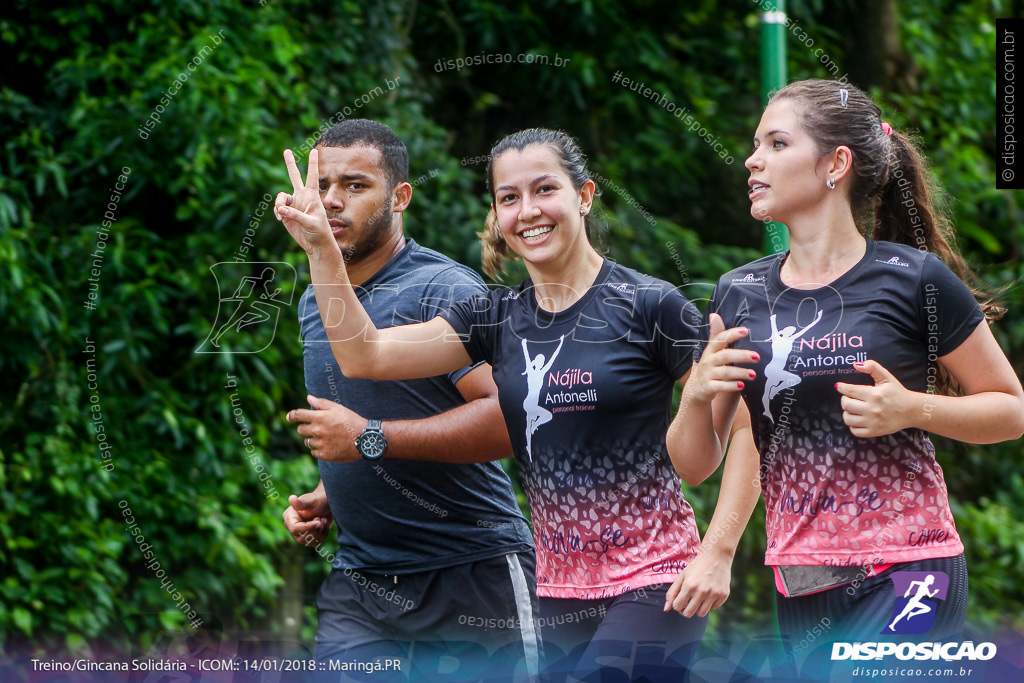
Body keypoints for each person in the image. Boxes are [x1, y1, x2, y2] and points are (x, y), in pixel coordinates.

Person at [275, 126, 758, 682]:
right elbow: (364, 354)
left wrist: (717, 553)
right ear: (497, 213)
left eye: (545, 190)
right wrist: (320, 250)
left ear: (584, 195)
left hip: (654, 579)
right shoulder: (496, 318)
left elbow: (726, 446)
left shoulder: (650, 305)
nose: (528, 211)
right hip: (557, 588)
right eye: (509, 198)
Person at [676, 79, 1024, 651]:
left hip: (911, 567)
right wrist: (695, 397)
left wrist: (913, 408)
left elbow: (1009, 409)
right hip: (803, 583)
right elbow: (697, 465)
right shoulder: (737, 292)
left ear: (835, 164)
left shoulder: (915, 279)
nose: (752, 159)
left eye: (777, 144)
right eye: (755, 143)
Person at [275, 119, 538, 682]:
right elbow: (364, 418)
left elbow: (511, 421)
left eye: (354, 185)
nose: (332, 202)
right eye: (322, 186)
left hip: (469, 573)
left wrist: (368, 440)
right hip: (363, 584)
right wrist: (330, 490)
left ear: (400, 197)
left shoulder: (445, 290)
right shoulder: (313, 303)